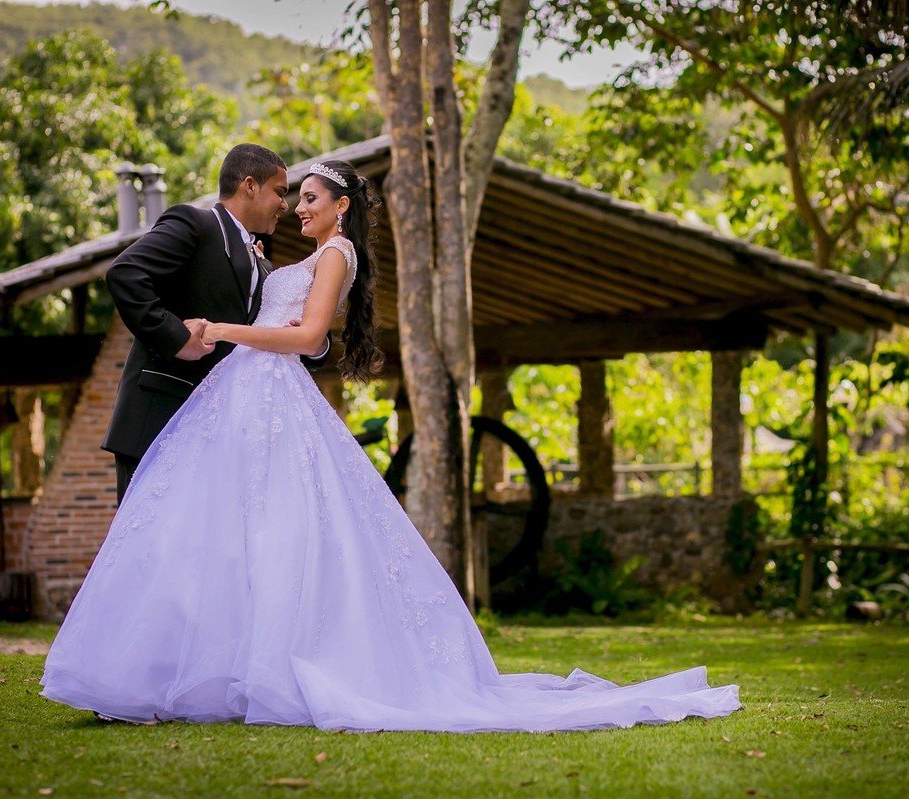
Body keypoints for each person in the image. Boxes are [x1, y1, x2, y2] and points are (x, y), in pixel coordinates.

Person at [41, 160, 741, 732]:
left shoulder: (334, 253)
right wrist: (220, 332)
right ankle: (185, 668)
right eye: (289, 193)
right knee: (229, 536)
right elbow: (173, 291)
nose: (294, 206)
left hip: (260, 391)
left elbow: (310, 338)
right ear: (250, 186)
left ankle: (254, 668)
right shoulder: (258, 245)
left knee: (280, 533)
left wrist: (223, 330)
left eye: (307, 196)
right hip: (233, 400)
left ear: (341, 207)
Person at [101, 143, 330, 503]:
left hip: (216, 435)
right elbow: (126, 273)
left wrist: (312, 342)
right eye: (280, 192)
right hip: (160, 418)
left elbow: (267, 334)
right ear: (249, 186)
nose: (286, 205)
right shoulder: (194, 224)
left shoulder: (262, 264)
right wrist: (177, 338)